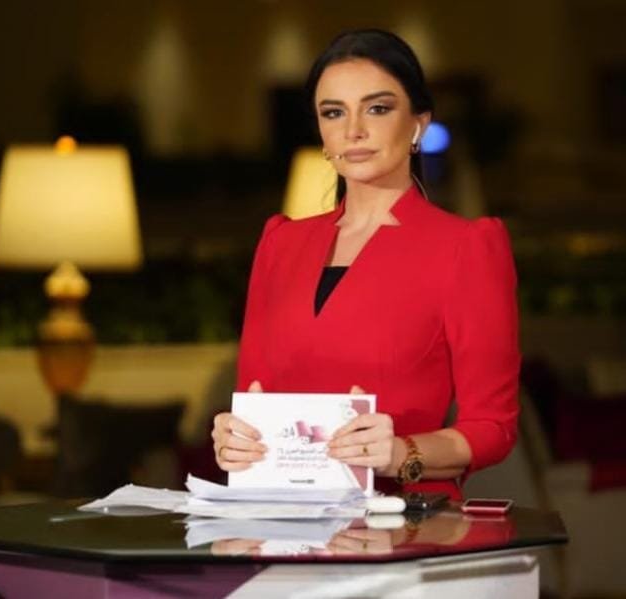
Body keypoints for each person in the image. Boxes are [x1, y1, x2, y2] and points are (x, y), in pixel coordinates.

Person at [210, 29, 519, 500]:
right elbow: (255, 401)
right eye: (333, 112)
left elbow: (493, 428)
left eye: (377, 108)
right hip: (280, 516)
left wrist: (399, 453)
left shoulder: (466, 247)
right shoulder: (280, 242)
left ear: (418, 125)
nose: (353, 129)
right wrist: (234, 438)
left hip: (400, 519)